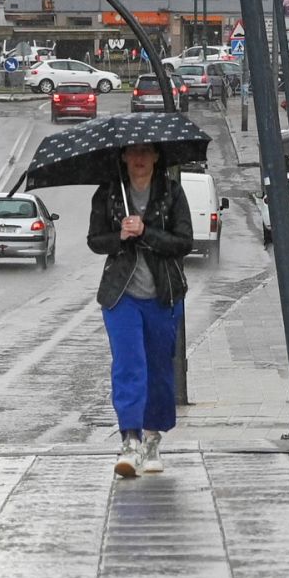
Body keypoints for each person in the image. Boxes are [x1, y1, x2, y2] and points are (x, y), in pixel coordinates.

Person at [87, 142, 194, 478]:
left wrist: (146, 233)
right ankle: (129, 440)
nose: (139, 159)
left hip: (164, 296)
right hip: (121, 296)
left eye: (146, 152)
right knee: (130, 365)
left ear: (157, 156)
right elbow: (94, 240)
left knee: (159, 371)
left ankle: (151, 439)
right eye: (132, 152)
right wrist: (120, 236)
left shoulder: (172, 193)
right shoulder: (109, 193)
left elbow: (184, 242)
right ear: (123, 156)